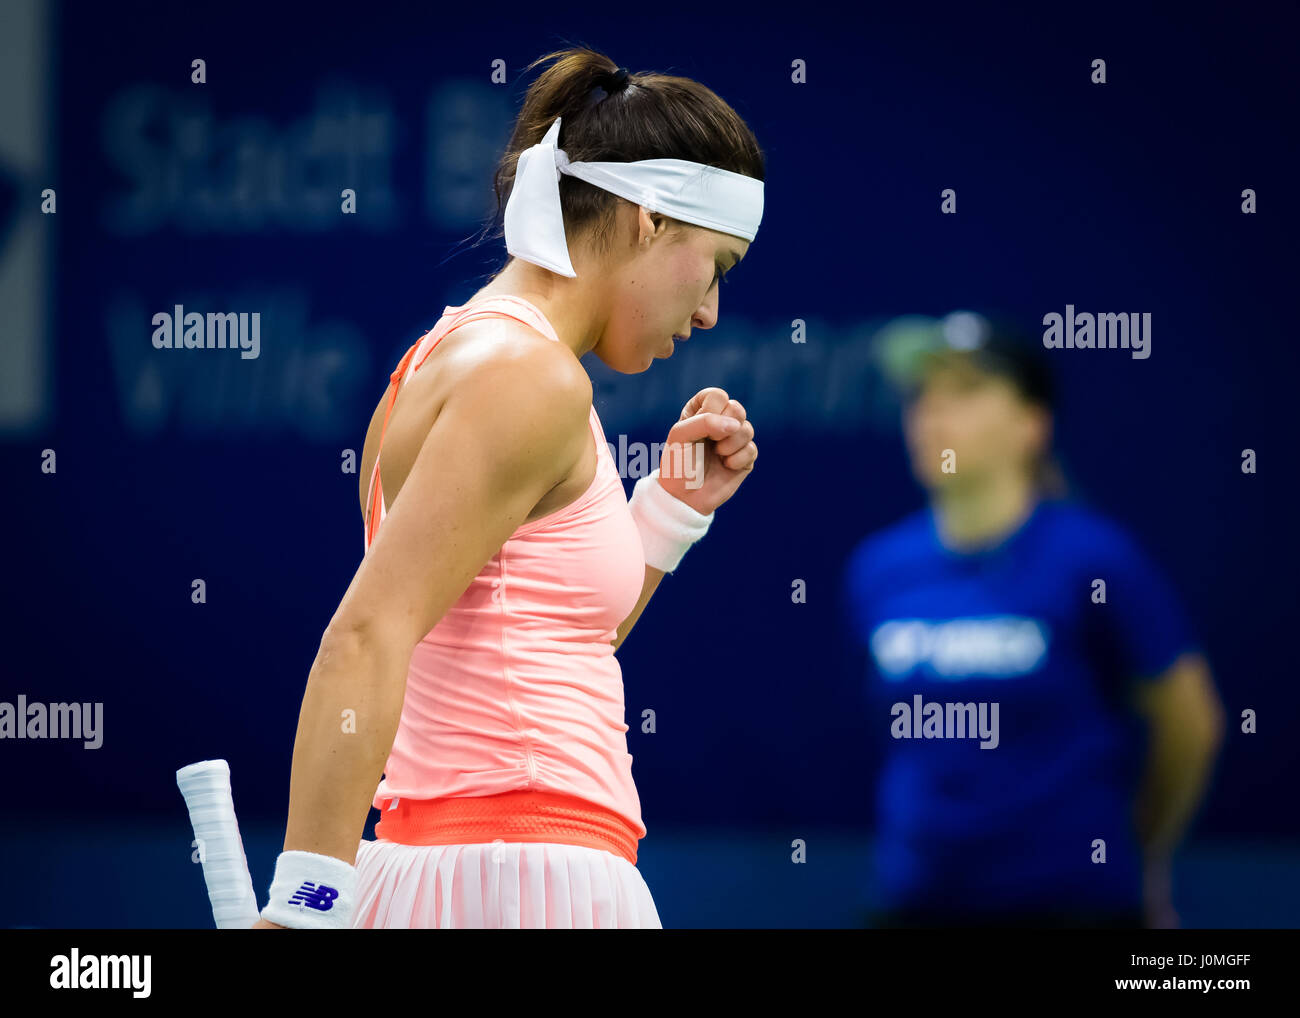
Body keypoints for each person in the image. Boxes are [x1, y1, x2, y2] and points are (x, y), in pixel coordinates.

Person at [251, 47, 763, 929]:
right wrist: (305, 905)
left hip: (475, 872)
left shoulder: (454, 360)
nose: (711, 311)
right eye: (714, 264)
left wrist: (671, 511)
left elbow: (539, 640)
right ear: (647, 220)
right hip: (520, 884)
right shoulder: (531, 379)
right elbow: (366, 634)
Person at [843, 311, 1225, 928]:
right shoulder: (878, 569)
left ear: (1031, 424)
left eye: (965, 392)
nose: (932, 414)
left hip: (1071, 905)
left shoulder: (1096, 560)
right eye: (923, 395)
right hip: (916, 903)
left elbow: (1190, 723)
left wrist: (1140, 852)